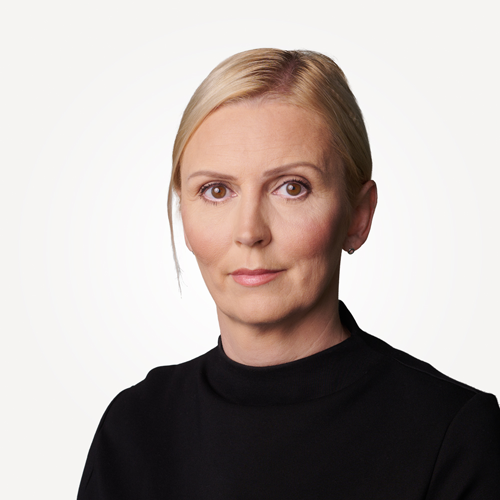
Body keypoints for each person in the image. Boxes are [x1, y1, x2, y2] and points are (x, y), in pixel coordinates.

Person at [77, 49, 500, 499]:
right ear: (185, 216)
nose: (249, 232)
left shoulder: (454, 433)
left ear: (358, 215)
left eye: (291, 188)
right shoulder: (135, 426)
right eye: (216, 191)